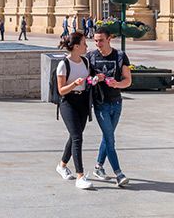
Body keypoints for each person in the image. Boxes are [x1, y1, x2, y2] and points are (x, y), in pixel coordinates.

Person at [87, 27, 132, 187]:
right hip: (100, 104)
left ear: (109, 39)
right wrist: (94, 78)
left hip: (117, 103)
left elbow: (128, 80)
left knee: (108, 136)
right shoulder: (91, 57)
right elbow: (86, 81)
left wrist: (117, 84)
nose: (97, 43)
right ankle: (119, 174)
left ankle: (98, 167)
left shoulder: (120, 56)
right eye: (95, 40)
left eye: (100, 40)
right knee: (110, 138)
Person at [55, 32, 94, 190]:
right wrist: (74, 84)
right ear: (76, 46)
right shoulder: (63, 64)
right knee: (77, 137)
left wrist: (93, 80)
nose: (87, 46)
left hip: (83, 102)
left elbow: (87, 80)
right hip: (68, 102)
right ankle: (80, 176)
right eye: (84, 43)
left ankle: (62, 165)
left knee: (75, 136)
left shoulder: (85, 61)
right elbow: (61, 90)